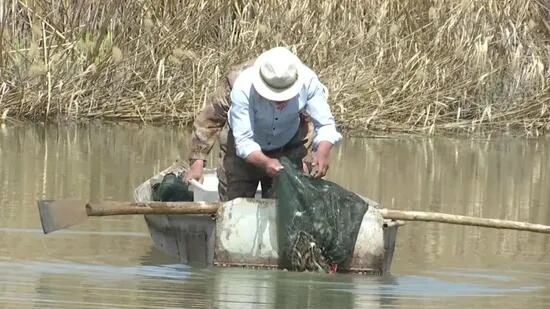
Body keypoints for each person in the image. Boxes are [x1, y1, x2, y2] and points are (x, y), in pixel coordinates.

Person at [183, 56, 314, 199]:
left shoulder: (303, 83)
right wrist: (197, 163)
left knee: (284, 208)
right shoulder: (237, 81)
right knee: (233, 206)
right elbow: (209, 120)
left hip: (284, 151)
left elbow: (307, 124)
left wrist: (305, 161)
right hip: (239, 153)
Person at [221, 47, 342, 201]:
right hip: (242, 153)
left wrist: (323, 150)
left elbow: (325, 125)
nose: (279, 102)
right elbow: (244, 142)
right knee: (234, 204)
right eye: (273, 96)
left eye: (285, 96)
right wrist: (266, 162)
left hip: (287, 146)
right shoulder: (244, 87)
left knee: (287, 205)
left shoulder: (309, 81)